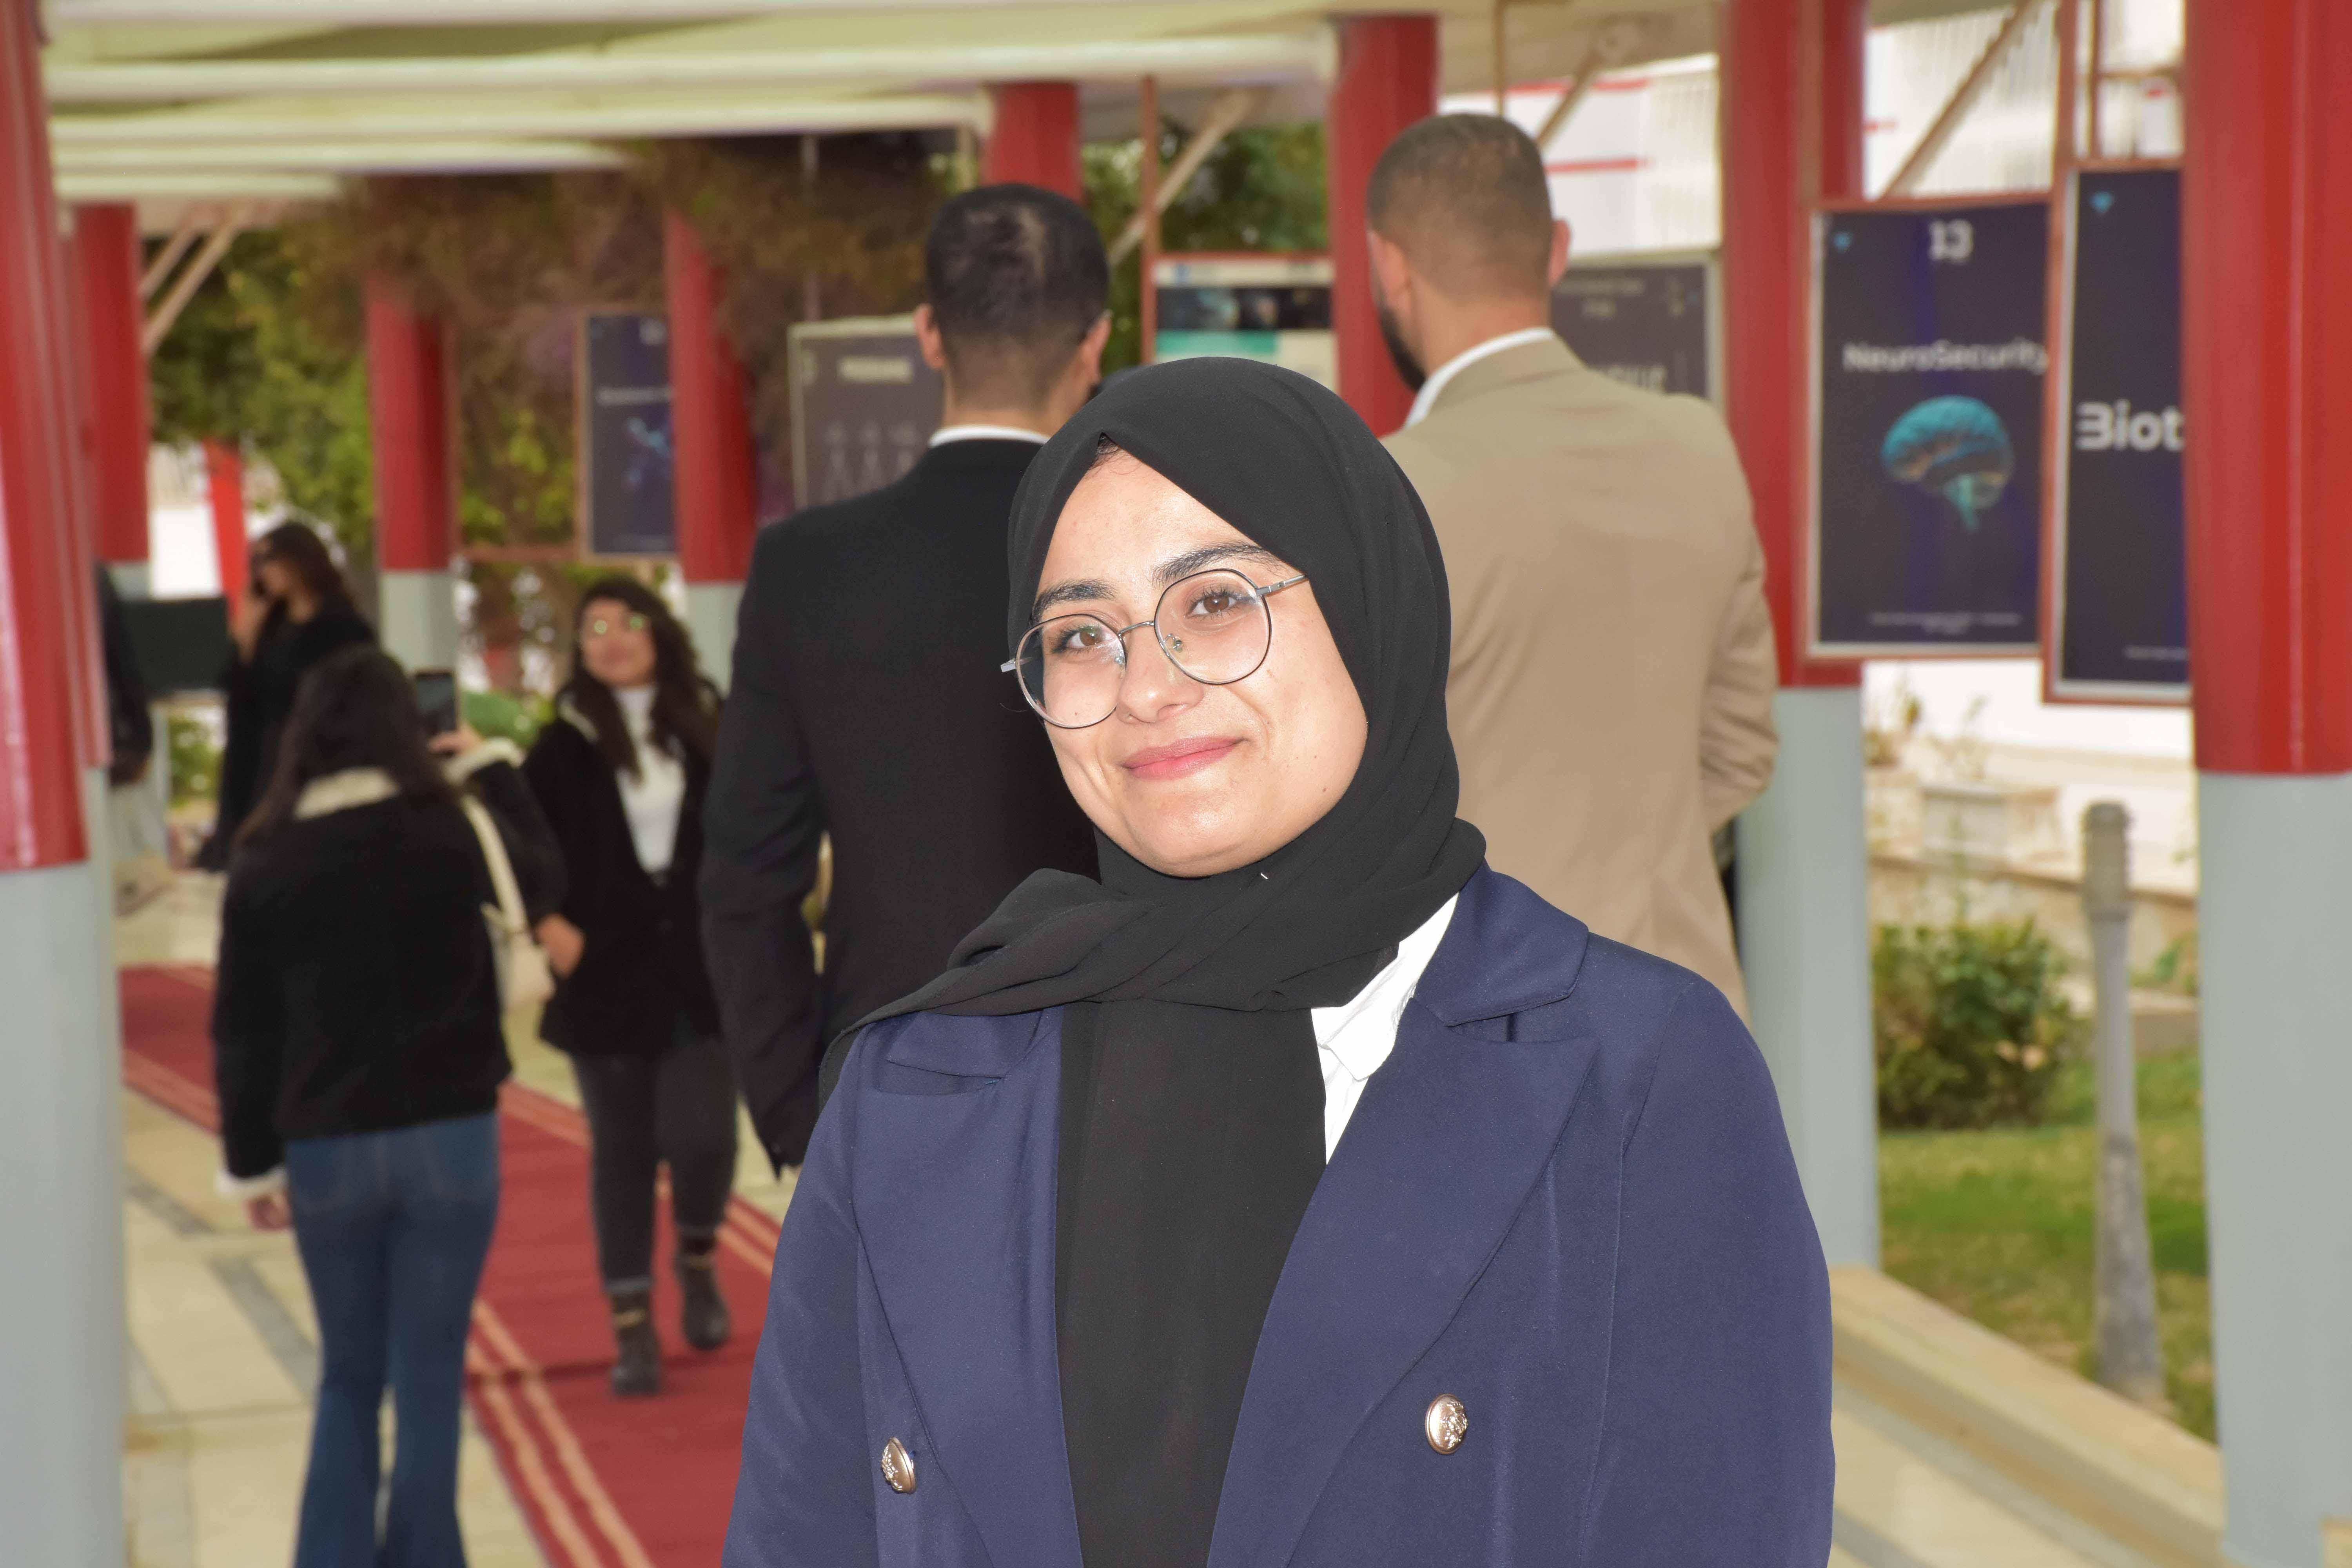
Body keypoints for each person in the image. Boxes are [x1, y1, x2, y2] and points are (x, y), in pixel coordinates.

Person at [723, 358, 1832, 1567]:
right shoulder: (913, 1089)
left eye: (1212, 601)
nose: (1147, 687)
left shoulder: (1635, 1078)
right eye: (1081, 634)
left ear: (1367, 602)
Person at [701, 183, 1104, 1171]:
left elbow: (747, 877)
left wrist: (797, 1109)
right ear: (1095, 340)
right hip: (1127, 1078)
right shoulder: (1149, 555)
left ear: (928, 334)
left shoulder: (809, 566)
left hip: (887, 1078)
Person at [1371, 114, 1779, 1010]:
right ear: (1557, 250)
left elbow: (1348, 797)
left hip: (1482, 1012)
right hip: (1686, 1008)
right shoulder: (1697, 445)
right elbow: (1741, 752)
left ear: (1390, 264)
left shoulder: (1390, 486)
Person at [211, 646, 558, 1568]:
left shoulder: (266, 858)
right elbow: (544, 880)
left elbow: (242, 1030)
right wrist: (489, 765)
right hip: (451, 1134)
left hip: (327, 1145)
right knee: (431, 1371)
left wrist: (250, 1162)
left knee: (348, 1375)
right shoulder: (451, 829)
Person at [524, 577, 737, 1397]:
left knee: (705, 1137)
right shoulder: (563, 742)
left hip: (699, 969)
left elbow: (753, 825)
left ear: (660, 632)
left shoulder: (710, 720)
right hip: (603, 975)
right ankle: (633, 1326)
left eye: (627, 622)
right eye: (595, 629)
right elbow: (520, 838)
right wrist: (549, 923)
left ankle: (697, 1254)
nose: (612, 640)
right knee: (621, 1150)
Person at [202, 521, 376, 869]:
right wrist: (247, 632)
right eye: (256, 562)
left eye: (268, 559)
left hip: (322, 750)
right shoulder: (271, 625)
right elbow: (241, 694)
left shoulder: (343, 625)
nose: (262, 571)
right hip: (266, 754)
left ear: (298, 559)